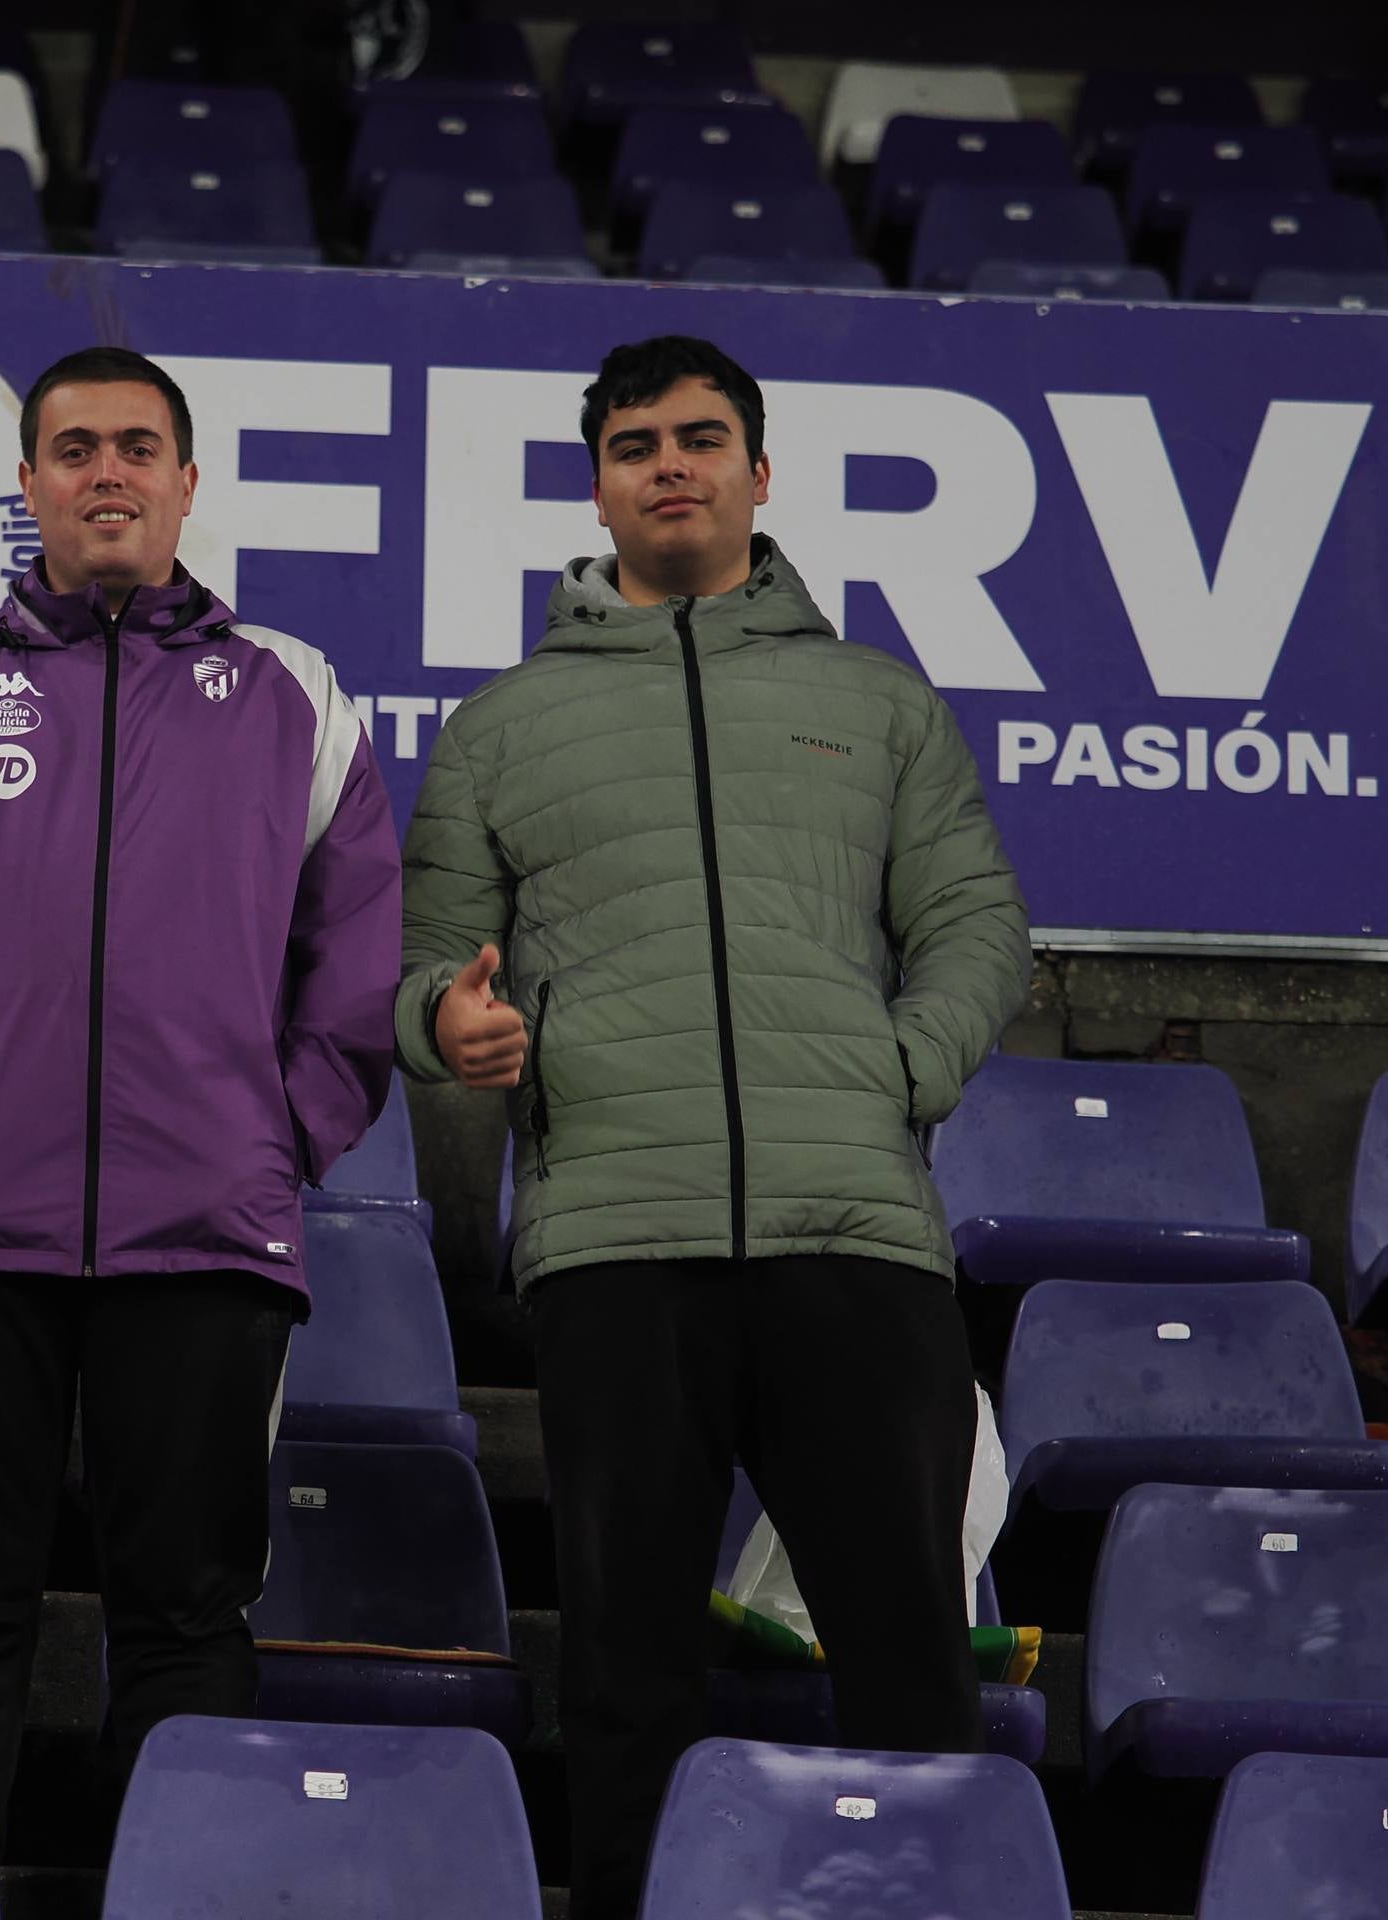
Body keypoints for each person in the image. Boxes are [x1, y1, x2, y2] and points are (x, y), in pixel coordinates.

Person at [396, 335, 1031, 1918]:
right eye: (634, 446)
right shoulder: (500, 727)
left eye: (697, 439)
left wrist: (898, 1071)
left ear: (759, 469)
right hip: (616, 1244)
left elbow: (975, 924)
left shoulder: (878, 704)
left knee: (910, 1662)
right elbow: (424, 964)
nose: (667, 466)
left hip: (855, 1236)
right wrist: (446, 1028)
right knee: (624, 1676)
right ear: (598, 486)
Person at [0, 346, 401, 1842]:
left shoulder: (295, 692)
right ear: (30, 485)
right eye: (73, 449)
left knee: (186, 1618)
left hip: (204, 1232)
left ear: (186, 482)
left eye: (134, 447)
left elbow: (360, 942)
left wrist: (282, 1132)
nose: (105, 472)